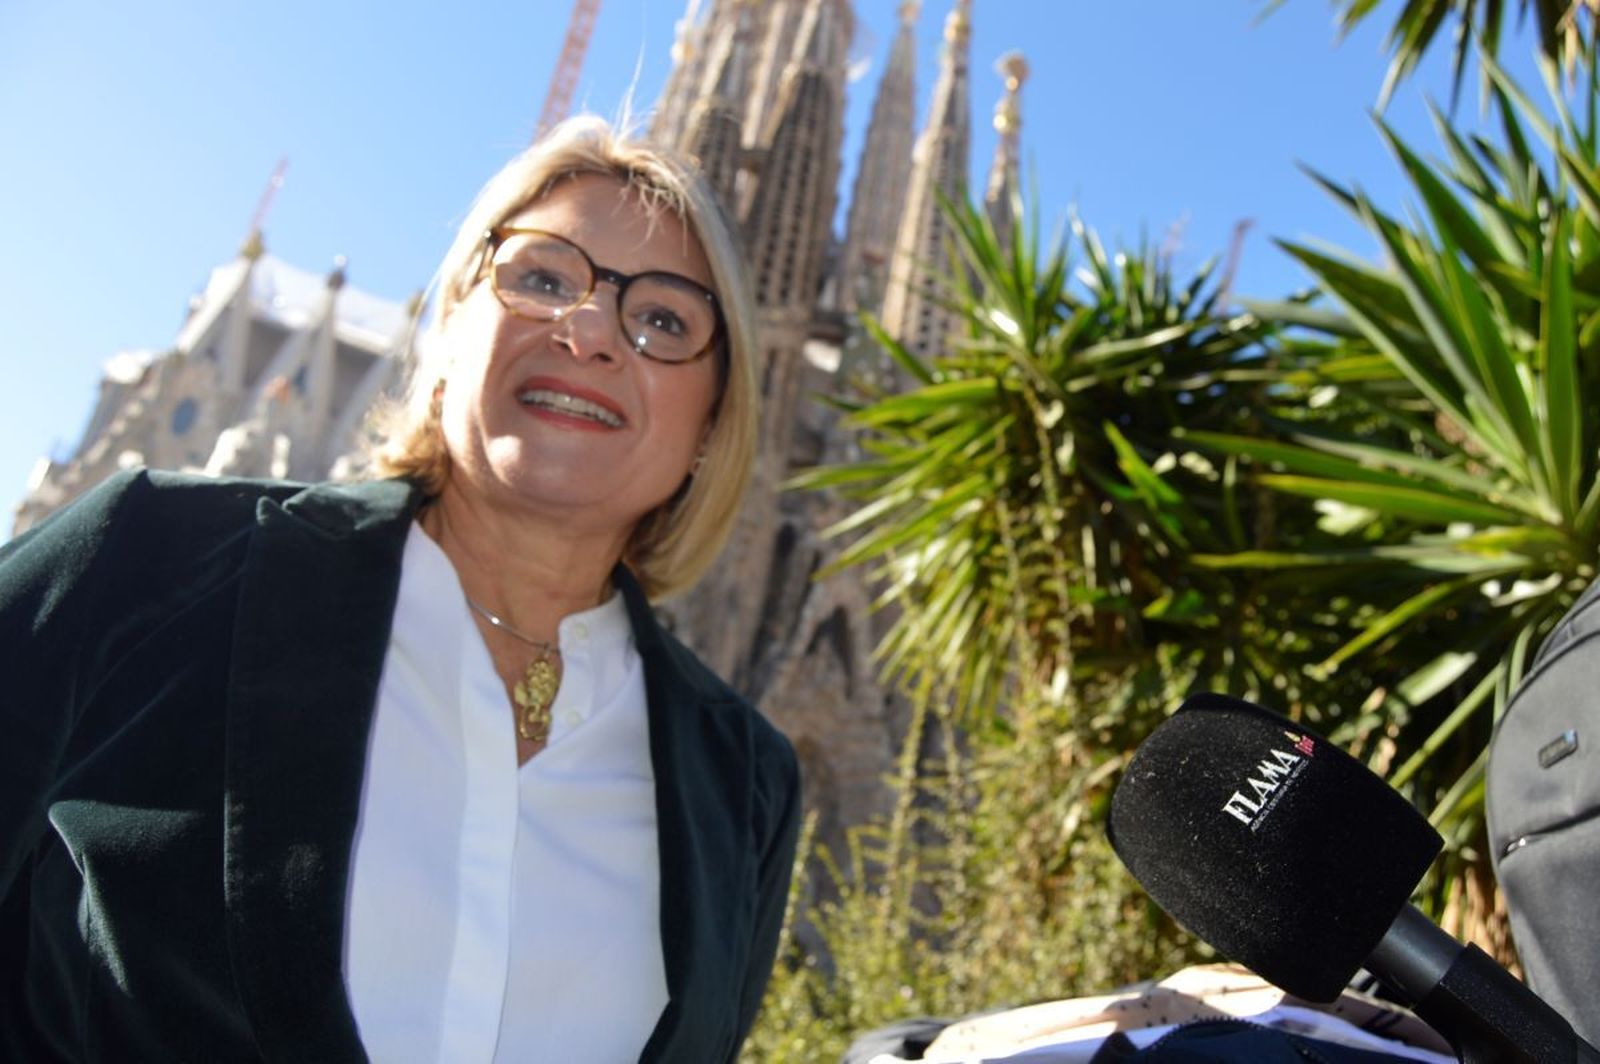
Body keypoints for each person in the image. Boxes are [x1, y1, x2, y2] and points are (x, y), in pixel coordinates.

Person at [0, 116, 801, 1063]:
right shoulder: (148, 559)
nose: (588, 328)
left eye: (665, 319)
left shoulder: (743, 784)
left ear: (717, 417)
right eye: (543, 278)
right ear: (455, 321)